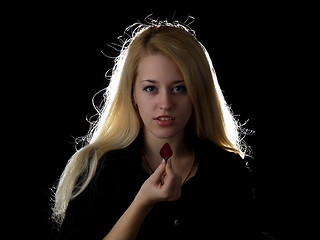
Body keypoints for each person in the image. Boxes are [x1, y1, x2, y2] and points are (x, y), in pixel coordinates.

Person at [51, 18, 273, 240]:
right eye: (150, 88)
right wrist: (142, 202)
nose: (165, 103)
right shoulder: (96, 169)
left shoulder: (228, 170)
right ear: (132, 95)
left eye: (179, 88)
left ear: (198, 93)